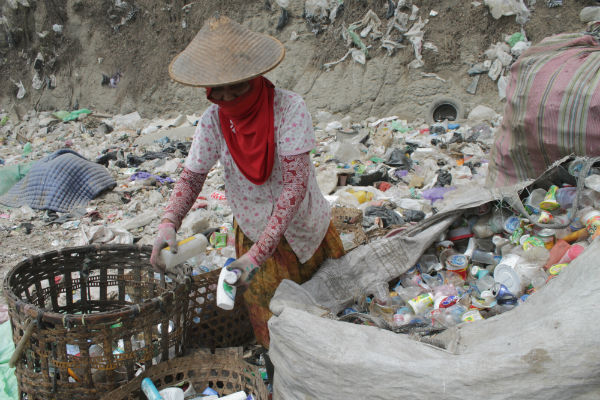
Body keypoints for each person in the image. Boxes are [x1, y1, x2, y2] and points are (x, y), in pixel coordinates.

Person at [150, 15, 345, 348]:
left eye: (236, 86)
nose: (227, 97)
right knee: (275, 329)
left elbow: (295, 186)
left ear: (255, 77)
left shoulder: (289, 109)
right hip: (253, 231)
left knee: (323, 317)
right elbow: (193, 176)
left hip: (303, 230)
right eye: (218, 90)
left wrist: (259, 255)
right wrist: (169, 222)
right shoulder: (214, 121)